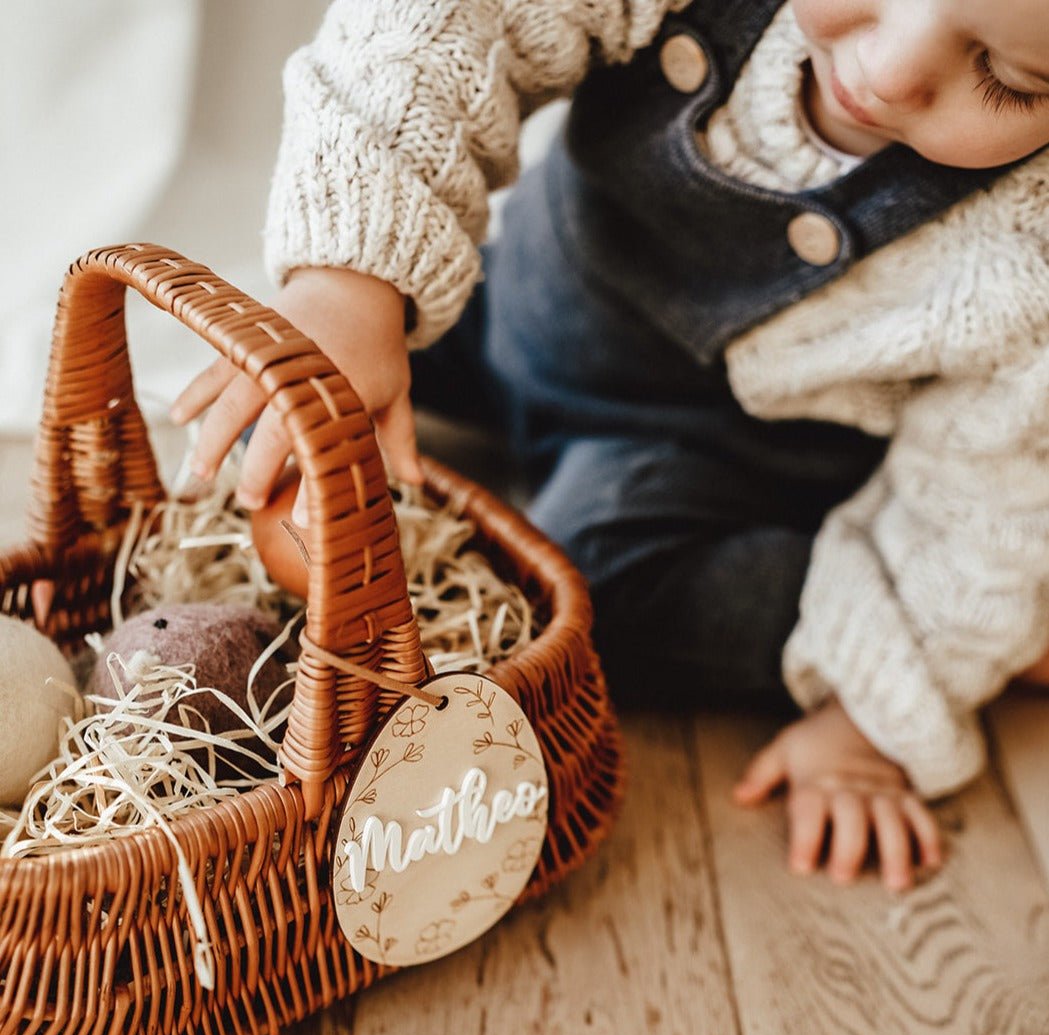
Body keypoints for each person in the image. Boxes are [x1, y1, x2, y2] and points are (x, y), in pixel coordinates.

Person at [169, 0, 1049, 893]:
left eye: (1009, 80)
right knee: (277, 386)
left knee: (580, 601)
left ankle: (952, 625)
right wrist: (347, 286)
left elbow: (996, 493)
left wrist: (877, 714)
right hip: (519, 307)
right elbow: (443, 27)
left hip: (705, 456)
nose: (894, 73)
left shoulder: (1031, 248)